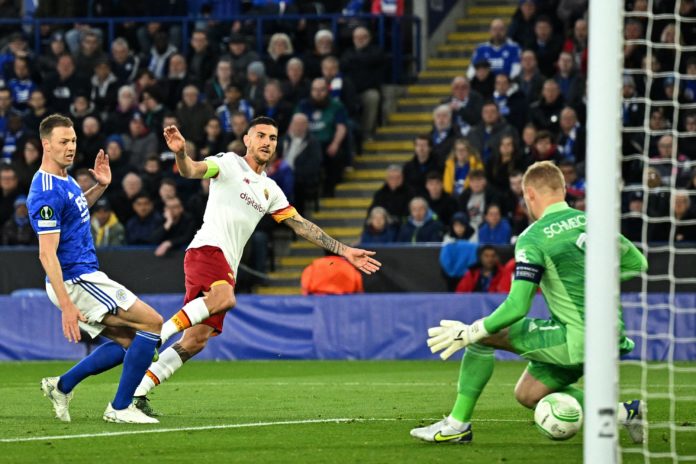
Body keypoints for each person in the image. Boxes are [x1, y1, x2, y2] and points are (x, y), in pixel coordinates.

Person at [132, 117, 381, 415]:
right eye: (260, 135)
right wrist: (181, 153)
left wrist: (344, 251)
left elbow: (300, 225)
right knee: (225, 298)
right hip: (207, 249)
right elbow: (192, 170)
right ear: (247, 139)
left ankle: (137, 392)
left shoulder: (270, 189)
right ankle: (157, 336)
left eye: (272, 138)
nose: (267, 142)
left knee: (196, 340)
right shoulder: (228, 163)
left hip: (227, 263)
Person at [410, 161, 646, 444]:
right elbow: (638, 264)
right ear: (562, 190)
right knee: (528, 394)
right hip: (611, 336)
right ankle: (624, 413)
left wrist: (471, 331)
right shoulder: (593, 222)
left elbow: (518, 306)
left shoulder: (533, 237)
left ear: (529, 195)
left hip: (578, 340)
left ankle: (457, 425)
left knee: (485, 336)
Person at [28, 114, 163, 424]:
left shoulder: (65, 178)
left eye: (73, 140)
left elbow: (75, 211)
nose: (71, 147)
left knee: (132, 342)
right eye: (63, 141)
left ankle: (62, 386)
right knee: (152, 324)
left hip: (84, 274)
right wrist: (67, 306)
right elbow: (46, 254)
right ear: (46, 144)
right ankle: (120, 408)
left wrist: (100, 187)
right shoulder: (45, 191)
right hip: (75, 278)